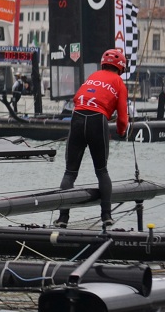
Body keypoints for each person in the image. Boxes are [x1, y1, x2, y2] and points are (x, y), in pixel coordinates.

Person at [55, 48, 130, 229]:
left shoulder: (93, 76)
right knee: (101, 171)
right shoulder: (119, 82)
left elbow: (77, 98)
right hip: (97, 121)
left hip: (78, 117)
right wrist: (121, 131)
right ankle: (106, 216)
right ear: (120, 68)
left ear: (103, 63)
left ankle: (63, 219)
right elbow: (122, 119)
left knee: (70, 173)